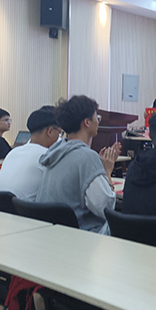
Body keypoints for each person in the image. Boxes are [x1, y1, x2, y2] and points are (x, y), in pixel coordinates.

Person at [36, 96, 120, 234]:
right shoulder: (87, 157)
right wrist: (107, 172)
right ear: (87, 122)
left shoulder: (54, 152)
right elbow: (106, 208)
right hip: (82, 236)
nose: (98, 121)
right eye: (97, 117)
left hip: (51, 233)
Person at [0, 106, 61, 201]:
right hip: (21, 210)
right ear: (50, 131)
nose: (59, 137)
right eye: (60, 132)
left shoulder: (14, 152)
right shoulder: (48, 157)